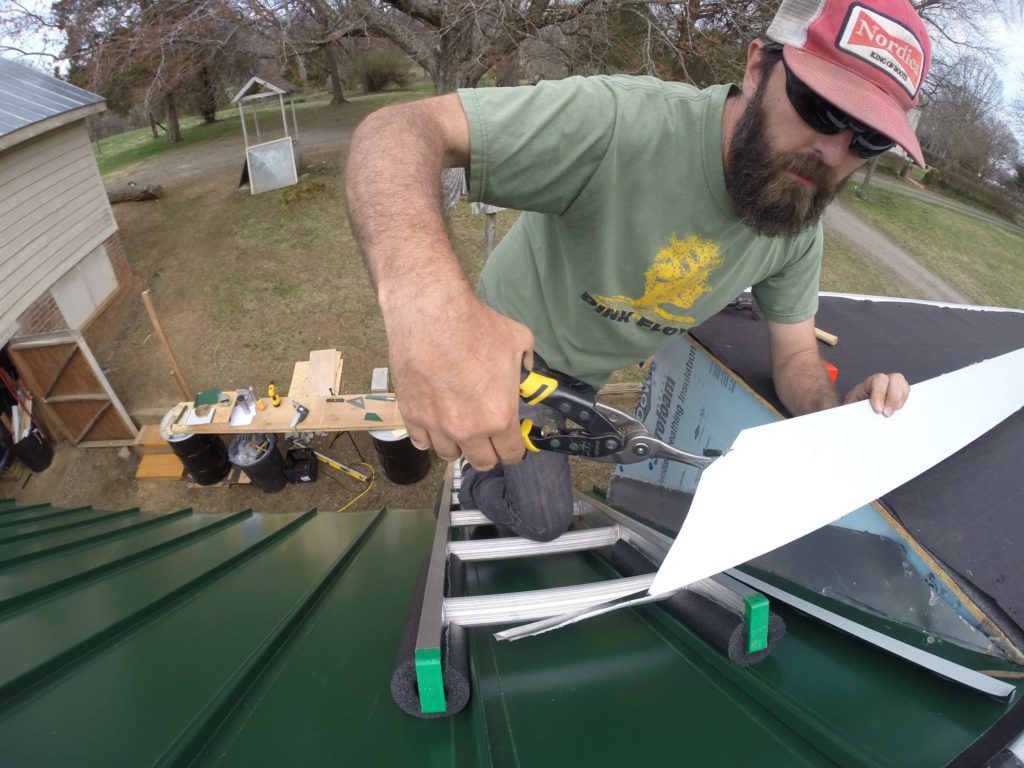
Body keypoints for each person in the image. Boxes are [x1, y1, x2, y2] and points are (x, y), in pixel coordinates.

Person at [346, 0, 930, 541]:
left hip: (587, 377)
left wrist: (837, 416)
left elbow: (798, 358)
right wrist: (434, 314)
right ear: (758, 69)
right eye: (820, 108)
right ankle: (474, 484)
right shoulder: (622, 124)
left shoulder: (795, 223)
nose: (835, 152)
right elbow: (396, 132)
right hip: (509, 355)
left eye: (869, 140)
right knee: (547, 519)